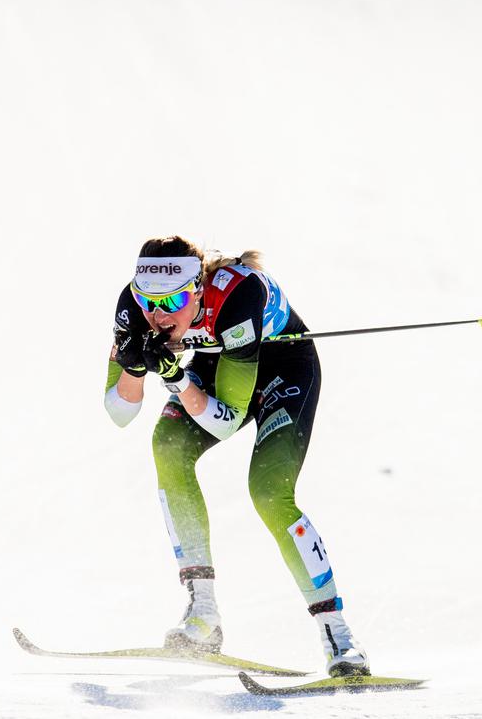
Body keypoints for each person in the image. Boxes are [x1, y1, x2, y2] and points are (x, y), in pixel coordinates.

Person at [103, 235, 369, 677]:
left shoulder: (237, 293)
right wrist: (134, 366)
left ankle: (339, 638)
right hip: (217, 362)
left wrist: (173, 377)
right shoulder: (133, 308)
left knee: (268, 491)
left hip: (283, 367)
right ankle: (203, 616)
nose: (159, 314)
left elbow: (226, 419)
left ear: (198, 288)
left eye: (172, 300)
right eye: (149, 300)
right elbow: (119, 412)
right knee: (166, 445)